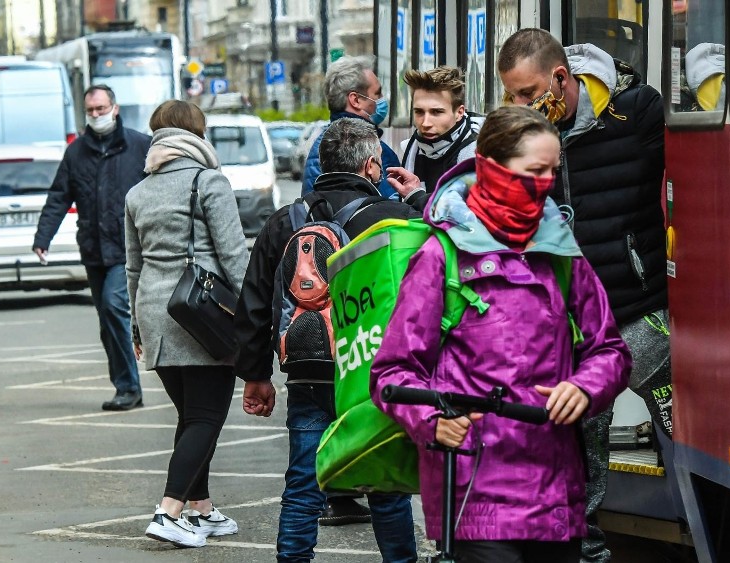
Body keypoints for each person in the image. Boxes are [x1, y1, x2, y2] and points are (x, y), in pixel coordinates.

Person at [371, 105, 631, 563]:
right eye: (534, 171)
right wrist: (433, 421)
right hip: (476, 493)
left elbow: (609, 349)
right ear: (492, 170)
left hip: (556, 496)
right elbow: (392, 372)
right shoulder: (441, 256)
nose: (546, 183)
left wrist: (586, 386)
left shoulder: (562, 254)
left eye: (553, 171)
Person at [497, 30, 668, 563]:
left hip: (643, 315)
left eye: (528, 95)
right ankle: (587, 554)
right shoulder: (522, 145)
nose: (521, 107)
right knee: (579, 448)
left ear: (561, 79)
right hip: (577, 334)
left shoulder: (634, 115)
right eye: (512, 98)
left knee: (689, 429)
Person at [235, 118, 421, 563]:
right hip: (372, 371)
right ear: (372, 167)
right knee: (385, 484)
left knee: (303, 483)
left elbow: (255, 301)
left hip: (308, 371)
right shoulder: (393, 218)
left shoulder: (286, 221)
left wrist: (256, 376)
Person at [124, 100, 249, 548]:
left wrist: (138, 330)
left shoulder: (137, 193)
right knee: (206, 416)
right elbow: (234, 255)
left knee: (191, 417)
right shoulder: (208, 181)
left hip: (156, 313)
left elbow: (133, 269)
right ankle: (169, 510)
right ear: (197, 134)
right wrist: (257, 308)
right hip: (203, 312)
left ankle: (201, 509)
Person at [33, 85, 150, 411]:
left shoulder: (139, 145)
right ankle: (126, 386)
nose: (96, 115)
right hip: (93, 249)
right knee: (107, 323)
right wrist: (43, 238)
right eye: (91, 111)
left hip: (128, 248)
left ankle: (129, 386)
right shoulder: (77, 151)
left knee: (114, 306)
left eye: (101, 109)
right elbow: (59, 196)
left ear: (114, 108)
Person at [301, 55, 399, 199]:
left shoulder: (327, 142)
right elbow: (392, 206)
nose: (382, 99)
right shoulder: (365, 146)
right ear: (356, 100)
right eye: (377, 93)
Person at [399, 66, 484, 196]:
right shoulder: (410, 149)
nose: (425, 123)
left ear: (459, 112)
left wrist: (415, 196)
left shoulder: (480, 152)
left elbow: (463, 212)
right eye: (419, 112)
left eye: (436, 112)